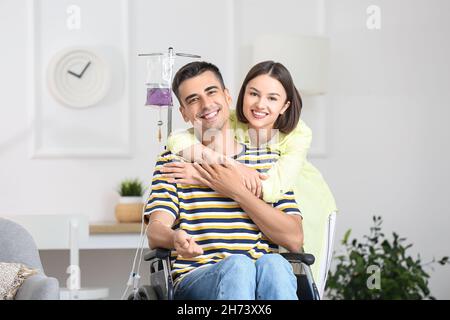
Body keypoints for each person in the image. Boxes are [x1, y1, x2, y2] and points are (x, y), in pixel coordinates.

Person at [162, 61, 337, 283]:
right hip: (252, 193)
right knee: (263, 266)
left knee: (302, 267)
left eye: (272, 98)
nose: (260, 105)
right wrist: (230, 164)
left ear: (284, 106)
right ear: (240, 95)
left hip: (300, 194)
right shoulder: (232, 117)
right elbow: (178, 138)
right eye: (253, 94)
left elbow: (270, 189)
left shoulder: (299, 134)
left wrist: (200, 176)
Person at [144, 61, 303, 300]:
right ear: (184, 113)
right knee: (239, 265)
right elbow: (156, 231)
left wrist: (238, 192)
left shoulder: (268, 160)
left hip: (263, 277)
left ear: (227, 97)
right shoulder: (173, 161)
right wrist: (174, 238)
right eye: (193, 99)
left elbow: (293, 239)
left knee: (275, 265)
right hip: (198, 277)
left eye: (211, 92)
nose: (206, 104)